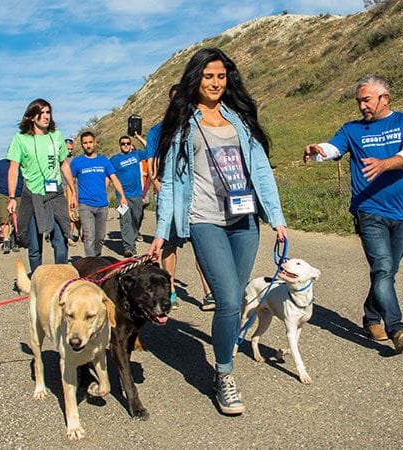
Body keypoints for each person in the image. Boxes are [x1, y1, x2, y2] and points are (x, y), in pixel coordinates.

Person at [148, 48, 287, 415]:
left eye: (221, 77)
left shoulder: (239, 118)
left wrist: (277, 218)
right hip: (204, 218)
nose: (215, 83)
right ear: (196, 79)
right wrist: (162, 231)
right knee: (226, 299)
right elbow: (173, 184)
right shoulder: (181, 124)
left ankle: (224, 350)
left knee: (237, 299)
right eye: (208, 77)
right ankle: (224, 374)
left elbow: (261, 170)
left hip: (244, 221)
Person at [303, 74, 403, 353]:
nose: (362, 107)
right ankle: (397, 327)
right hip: (368, 210)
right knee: (382, 266)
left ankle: (371, 315)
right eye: (359, 101)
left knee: (388, 270)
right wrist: (319, 151)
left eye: (366, 100)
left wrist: (385, 164)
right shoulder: (352, 130)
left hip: (400, 212)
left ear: (385, 98)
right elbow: (334, 148)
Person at [137, 83, 216, 311]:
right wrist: (159, 185)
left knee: (201, 244)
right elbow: (152, 164)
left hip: (197, 194)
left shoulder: (199, 126)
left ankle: (209, 291)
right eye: (175, 99)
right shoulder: (156, 131)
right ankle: (169, 290)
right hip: (169, 194)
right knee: (169, 244)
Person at [5, 99, 76, 274]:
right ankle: (38, 280)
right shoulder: (20, 139)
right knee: (35, 246)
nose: (45, 116)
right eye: (41, 112)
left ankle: (61, 278)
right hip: (32, 195)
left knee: (61, 242)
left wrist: (73, 191)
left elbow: (64, 164)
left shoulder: (56, 136)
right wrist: (12, 197)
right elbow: (13, 169)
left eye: (48, 112)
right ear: (31, 116)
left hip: (55, 195)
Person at [70, 131, 128, 257]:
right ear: (82, 145)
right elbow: (70, 184)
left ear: (95, 143)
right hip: (85, 205)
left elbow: (115, 179)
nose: (88, 145)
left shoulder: (104, 161)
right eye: (85, 143)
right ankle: (91, 266)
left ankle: (96, 259)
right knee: (89, 236)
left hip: (102, 205)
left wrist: (122, 196)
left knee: (100, 237)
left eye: (90, 142)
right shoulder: (77, 162)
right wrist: (71, 200)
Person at [109, 135, 151, 257]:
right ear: (120, 146)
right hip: (122, 196)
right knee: (125, 220)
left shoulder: (136, 155)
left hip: (137, 195)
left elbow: (150, 149)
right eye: (123, 143)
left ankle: (133, 237)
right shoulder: (114, 159)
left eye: (128, 143)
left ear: (131, 144)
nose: (126, 145)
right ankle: (129, 247)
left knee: (136, 220)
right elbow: (109, 175)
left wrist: (138, 137)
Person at [0, 157, 24, 254]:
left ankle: (14, 238)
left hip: (18, 195)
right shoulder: (1, 164)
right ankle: (6, 240)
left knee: (17, 219)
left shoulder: (21, 164)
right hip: (4, 194)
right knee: (4, 218)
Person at [63, 137, 81, 244]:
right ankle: (69, 235)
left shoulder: (75, 160)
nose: (69, 151)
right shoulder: (59, 160)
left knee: (75, 213)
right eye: (67, 149)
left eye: (71, 149)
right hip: (62, 188)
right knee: (66, 213)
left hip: (74, 189)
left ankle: (79, 234)